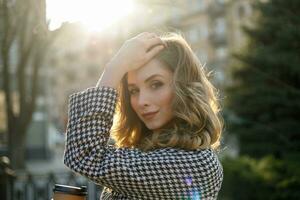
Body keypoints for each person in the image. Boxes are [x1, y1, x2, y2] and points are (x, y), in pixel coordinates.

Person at [64, 32, 224, 200]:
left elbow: (85, 155)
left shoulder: (194, 163)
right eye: (133, 91)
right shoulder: (149, 151)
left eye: (156, 84)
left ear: (184, 87)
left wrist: (115, 67)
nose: (141, 101)